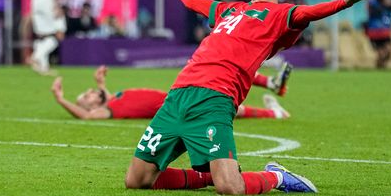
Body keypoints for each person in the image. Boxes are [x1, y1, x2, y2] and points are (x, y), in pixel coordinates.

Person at [124, 0, 369, 195]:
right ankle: (208, 177)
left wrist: (346, 1)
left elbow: (309, 13)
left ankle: (276, 177)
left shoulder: (280, 15)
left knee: (230, 187)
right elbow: (193, 1)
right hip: (177, 96)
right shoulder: (230, 9)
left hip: (214, 99)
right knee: (137, 179)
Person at [51, 65, 292, 120]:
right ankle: (274, 112)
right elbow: (86, 117)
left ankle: (272, 93)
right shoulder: (107, 111)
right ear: (93, 107)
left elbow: (112, 99)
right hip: (179, 107)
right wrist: (61, 99)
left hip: (178, 99)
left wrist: (101, 82)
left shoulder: (113, 100)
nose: (91, 92)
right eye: (88, 96)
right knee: (221, 93)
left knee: (219, 88)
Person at [366, 0, 391, 69]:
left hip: (386, 30)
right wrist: (384, 4)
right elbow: (370, 12)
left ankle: (380, 66)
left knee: (389, 52)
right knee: (381, 52)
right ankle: (380, 68)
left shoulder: (390, 1)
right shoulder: (372, 2)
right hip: (375, 31)